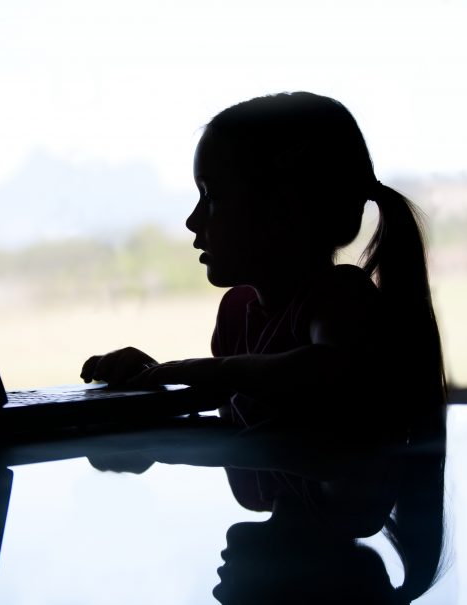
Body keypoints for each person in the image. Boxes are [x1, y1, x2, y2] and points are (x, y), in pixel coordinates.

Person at [80, 92, 447, 603]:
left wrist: (204, 378)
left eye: (210, 195)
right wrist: (158, 384)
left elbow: (332, 373)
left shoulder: (340, 296)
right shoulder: (236, 312)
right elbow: (245, 416)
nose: (192, 221)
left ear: (283, 207)